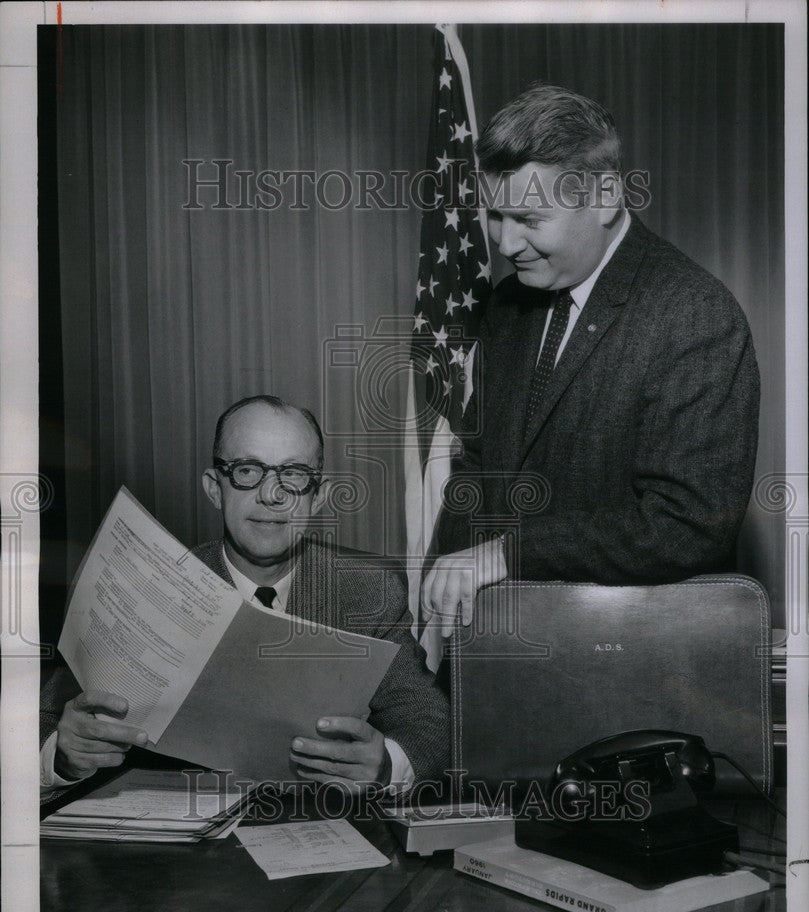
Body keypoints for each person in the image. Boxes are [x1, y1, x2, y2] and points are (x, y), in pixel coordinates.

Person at [422, 83, 760, 636]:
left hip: (625, 656)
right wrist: (445, 595)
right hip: (495, 648)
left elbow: (687, 525)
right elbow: (478, 466)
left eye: (529, 220)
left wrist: (508, 555)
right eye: (494, 215)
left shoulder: (696, 314)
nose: (505, 244)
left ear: (604, 197)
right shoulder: (507, 304)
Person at [41, 395, 450, 796]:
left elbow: (427, 721)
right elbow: (43, 722)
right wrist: (63, 755)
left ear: (318, 496)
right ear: (215, 488)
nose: (271, 494)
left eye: (292, 474)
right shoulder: (142, 591)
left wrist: (384, 766)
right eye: (247, 470)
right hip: (173, 846)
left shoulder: (366, 591)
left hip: (312, 834)